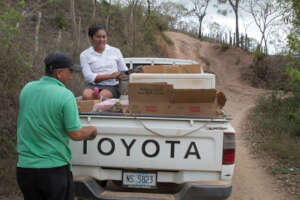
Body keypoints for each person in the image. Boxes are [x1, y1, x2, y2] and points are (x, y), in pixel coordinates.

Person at [16, 52, 98, 200]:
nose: (71, 76)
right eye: (70, 71)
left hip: (25, 168)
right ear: (59, 73)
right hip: (53, 169)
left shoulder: (27, 89)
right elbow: (76, 134)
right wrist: (91, 131)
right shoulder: (65, 95)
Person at [80, 25, 128, 100]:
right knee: (86, 96)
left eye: (104, 37)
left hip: (112, 86)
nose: (101, 39)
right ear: (92, 38)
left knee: (100, 97)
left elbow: (124, 70)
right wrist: (110, 76)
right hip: (93, 85)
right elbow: (89, 77)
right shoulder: (85, 55)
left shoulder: (115, 51)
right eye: (98, 37)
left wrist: (120, 76)